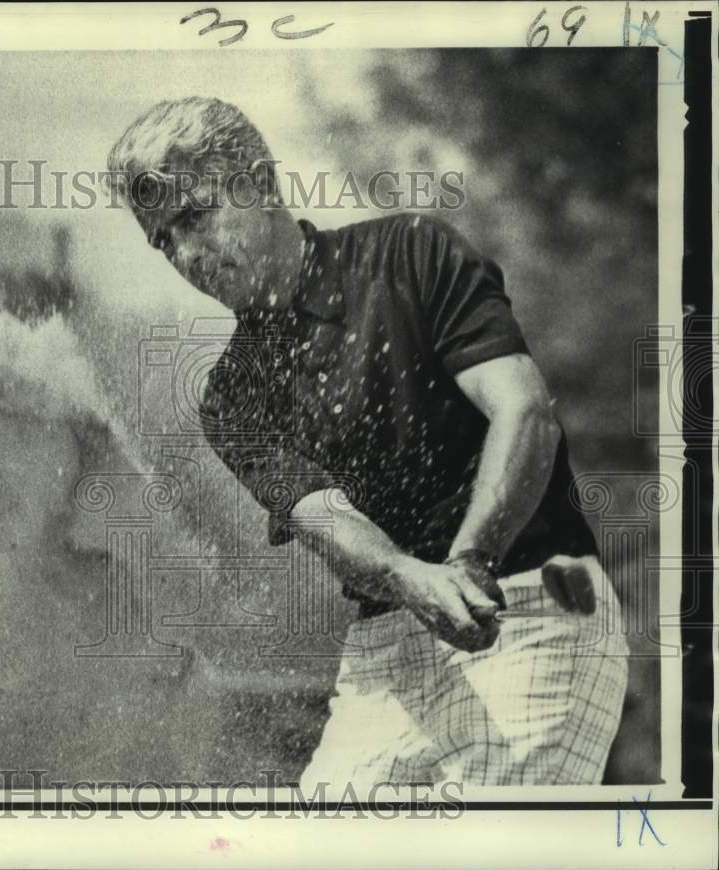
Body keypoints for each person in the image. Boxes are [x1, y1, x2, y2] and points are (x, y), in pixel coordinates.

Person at [106, 97, 628, 787]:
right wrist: (411, 578)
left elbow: (526, 412)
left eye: (196, 215)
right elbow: (324, 518)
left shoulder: (410, 254)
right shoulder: (229, 396)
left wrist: (468, 560)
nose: (189, 255)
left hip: (532, 604)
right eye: (164, 239)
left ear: (259, 182)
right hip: (385, 650)